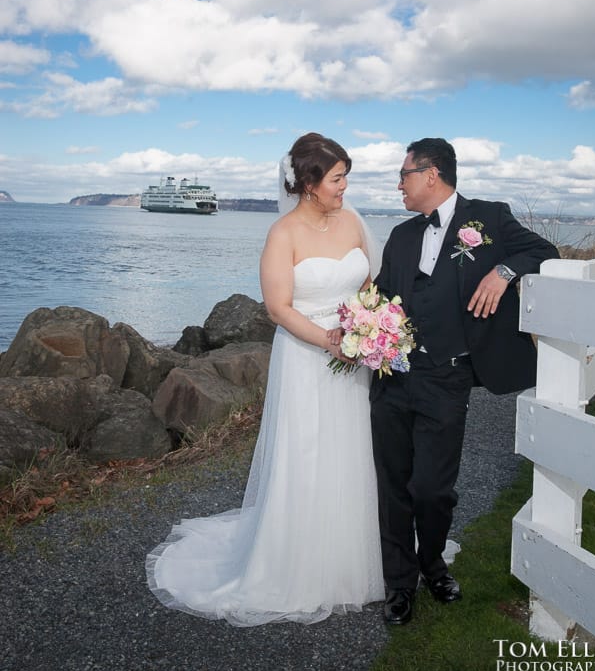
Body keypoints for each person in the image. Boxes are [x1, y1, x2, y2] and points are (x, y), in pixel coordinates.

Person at [146, 132, 384, 624]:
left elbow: (367, 285)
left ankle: (350, 558)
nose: (345, 187)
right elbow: (278, 309)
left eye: (346, 178)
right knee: (306, 449)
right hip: (307, 354)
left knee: (349, 448)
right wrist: (330, 340)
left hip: (350, 355)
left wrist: (367, 328)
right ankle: (294, 563)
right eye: (337, 179)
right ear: (309, 183)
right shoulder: (283, 234)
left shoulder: (355, 221)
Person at [371, 137, 559, 626]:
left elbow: (543, 250)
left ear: (431, 175)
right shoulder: (400, 235)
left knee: (433, 488)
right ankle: (399, 584)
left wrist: (502, 271)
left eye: (404, 175)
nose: (399, 185)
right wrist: (365, 327)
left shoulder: (489, 217)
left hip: (447, 378)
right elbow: (384, 296)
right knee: (393, 485)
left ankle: (432, 563)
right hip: (394, 376)